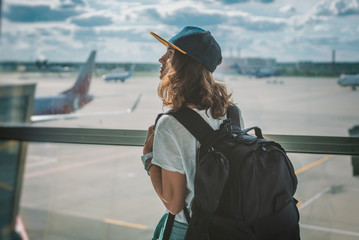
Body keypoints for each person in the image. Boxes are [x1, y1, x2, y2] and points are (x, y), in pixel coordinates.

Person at [142, 26, 244, 240]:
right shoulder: (233, 114)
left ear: (186, 64)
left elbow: (174, 204)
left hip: (190, 230)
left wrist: (149, 158)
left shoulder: (170, 124)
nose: (161, 59)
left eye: (170, 53)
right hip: (230, 227)